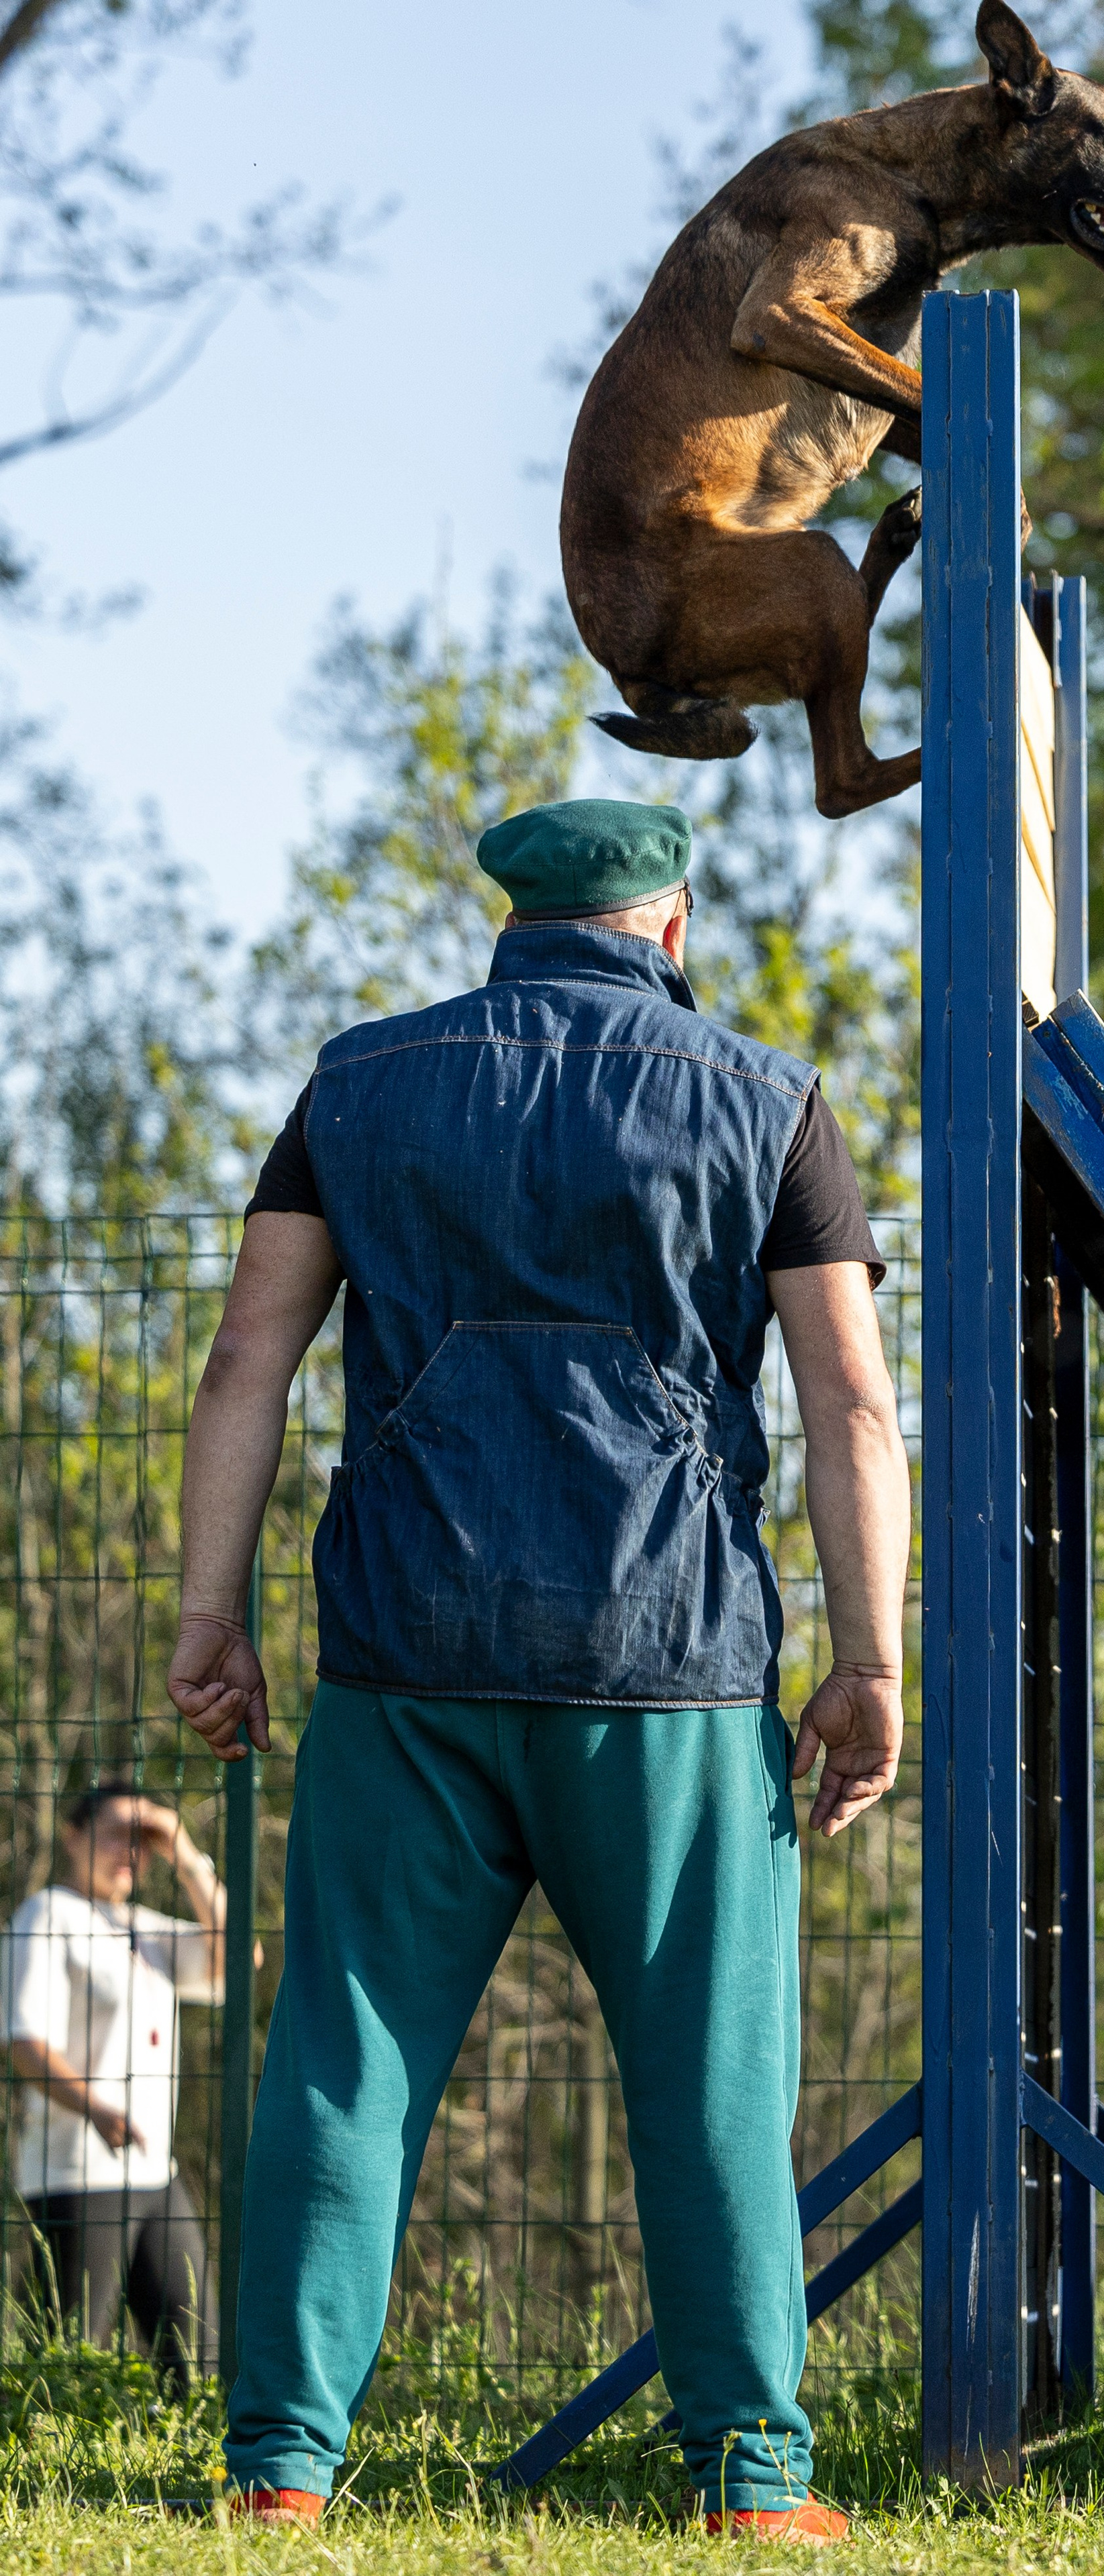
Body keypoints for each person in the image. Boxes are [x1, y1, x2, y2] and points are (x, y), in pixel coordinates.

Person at [166, 798, 911, 2540]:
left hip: (409, 1649)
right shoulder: (766, 1097)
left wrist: (212, 1615)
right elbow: (853, 1402)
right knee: (710, 2076)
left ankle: (281, 2469)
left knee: (345, 2059)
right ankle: (750, 2476)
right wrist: (869, 1656)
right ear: (672, 924)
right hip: (666, 1666)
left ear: (511, 919)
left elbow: (247, 1355)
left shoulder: (360, 1085)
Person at [3, 1784, 230, 2393]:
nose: (130, 1852)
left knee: (199, 2355)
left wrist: (183, 1850)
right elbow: (25, 2042)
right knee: (68, 2354)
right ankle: (42, 2466)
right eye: (114, 1834)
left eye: (142, 1839)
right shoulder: (48, 1915)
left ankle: (177, 2469)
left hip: (156, 2171)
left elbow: (241, 1959)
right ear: (73, 1836)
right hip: (78, 2172)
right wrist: (99, 2109)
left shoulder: (144, 1928)